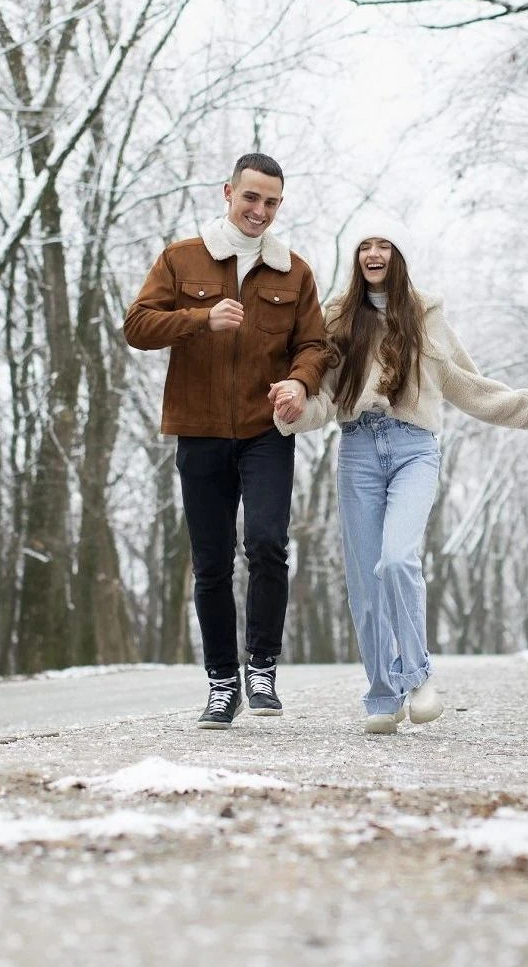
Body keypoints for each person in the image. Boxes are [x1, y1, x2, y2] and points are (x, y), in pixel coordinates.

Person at [272, 212, 528, 735]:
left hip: (414, 449)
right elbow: (323, 399)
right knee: (365, 585)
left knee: (396, 560)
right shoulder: (339, 315)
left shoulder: (426, 317)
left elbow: (471, 387)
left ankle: (418, 675)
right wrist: (292, 412)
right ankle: (382, 697)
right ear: (355, 257)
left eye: (384, 244)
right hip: (359, 450)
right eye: (364, 245)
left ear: (399, 254)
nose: (373, 254)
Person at [124, 153, 327, 729]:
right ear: (228, 193)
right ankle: (222, 683)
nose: (260, 211)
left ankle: (261, 666)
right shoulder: (182, 258)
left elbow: (315, 345)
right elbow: (136, 325)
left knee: (266, 544)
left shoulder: (295, 272)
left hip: (266, 429)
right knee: (210, 562)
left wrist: (298, 380)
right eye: (251, 198)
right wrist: (199, 318)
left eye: (271, 202)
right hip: (199, 428)